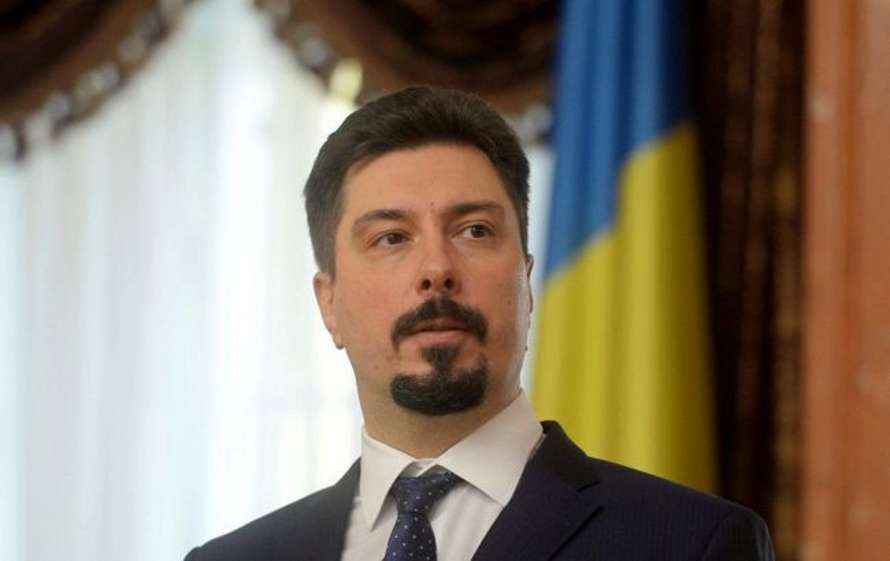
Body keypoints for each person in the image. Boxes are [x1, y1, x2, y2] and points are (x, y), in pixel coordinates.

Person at [183, 86, 774, 561]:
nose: (436, 270)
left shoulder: (692, 544)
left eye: (475, 231)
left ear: (526, 280)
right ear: (328, 303)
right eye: (391, 238)